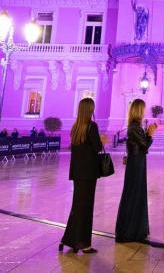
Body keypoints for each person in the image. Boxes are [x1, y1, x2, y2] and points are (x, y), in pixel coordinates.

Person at [60, 97, 103, 254]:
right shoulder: (92, 126)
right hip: (89, 173)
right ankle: (84, 243)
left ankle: (69, 239)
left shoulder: (76, 128)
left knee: (77, 206)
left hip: (77, 173)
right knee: (86, 208)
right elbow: (97, 147)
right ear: (90, 110)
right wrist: (102, 140)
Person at [116, 99, 157, 242]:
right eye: (143, 109)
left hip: (138, 162)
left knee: (137, 193)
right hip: (136, 163)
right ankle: (130, 230)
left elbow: (141, 143)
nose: (145, 111)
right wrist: (150, 134)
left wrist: (146, 133)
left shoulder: (136, 127)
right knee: (134, 193)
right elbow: (144, 145)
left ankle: (136, 228)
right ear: (139, 110)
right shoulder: (134, 127)